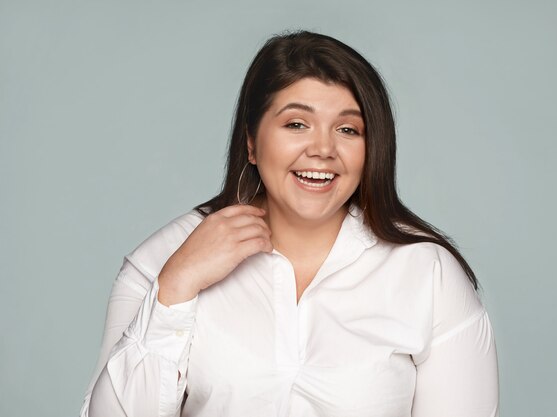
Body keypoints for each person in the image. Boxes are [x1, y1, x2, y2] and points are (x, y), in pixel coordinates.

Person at [80, 30, 499, 417]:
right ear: (251, 142)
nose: (322, 149)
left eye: (348, 129)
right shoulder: (162, 260)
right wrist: (175, 288)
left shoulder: (428, 273)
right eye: (296, 124)